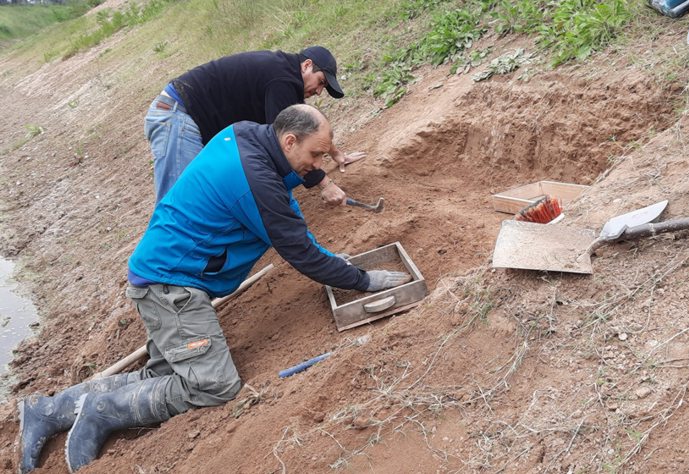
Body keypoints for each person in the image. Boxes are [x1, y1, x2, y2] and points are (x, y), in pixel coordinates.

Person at [17, 104, 409, 473]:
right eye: (316, 154)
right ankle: (105, 410)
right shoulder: (256, 183)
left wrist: (317, 173)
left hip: (161, 271)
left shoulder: (247, 135)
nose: (318, 165)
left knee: (164, 374)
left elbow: (285, 187)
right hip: (172, 287)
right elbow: (300, 251)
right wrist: (362, 279)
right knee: (214, 385)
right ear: (289, 141)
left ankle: (48, 411)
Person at [145, 45, 365, 203]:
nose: (318, 91)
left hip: (191, 119)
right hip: (177, 115)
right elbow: (284, 140)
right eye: (321, 82)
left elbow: (306, 127)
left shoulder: (284, 74)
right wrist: (325, 184)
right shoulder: (283, 80)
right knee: (177, 200)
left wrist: (336, 153)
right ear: (307, 65)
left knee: (206, 194)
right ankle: (161, 265)